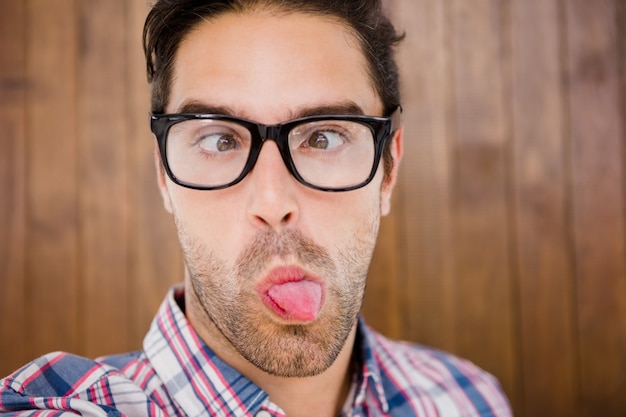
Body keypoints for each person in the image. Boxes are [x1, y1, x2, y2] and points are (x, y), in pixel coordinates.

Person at [0, 1, 512, 416]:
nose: (273, 203)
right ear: (164, 176)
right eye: (221, 141)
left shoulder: (468, 398)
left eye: (324, 136)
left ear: (388, 172)